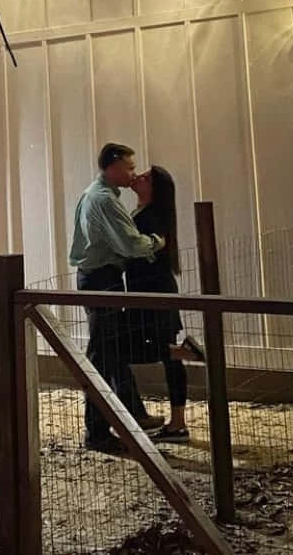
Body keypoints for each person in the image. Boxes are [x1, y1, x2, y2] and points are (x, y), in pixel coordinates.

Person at [69, 143, 166, 454]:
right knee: (102, 354)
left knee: (114, 349)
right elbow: (129, 244)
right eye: (129, 167)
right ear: (111, 166)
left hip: (95, 278)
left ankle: (133, 413)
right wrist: (157, 241)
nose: (133, 173)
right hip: (102, 281)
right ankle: (96, 432)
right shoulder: (105, 201)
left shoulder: (93, 194)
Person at [124, 165, 204, 443]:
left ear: (153, 189)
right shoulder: (145, 214)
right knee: (156, 349)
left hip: (153, 292)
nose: (139, 178)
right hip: (149, 291)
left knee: (149, 349)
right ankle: (177, 419)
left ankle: (179, 420)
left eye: (146, 177)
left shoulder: (152, 216)